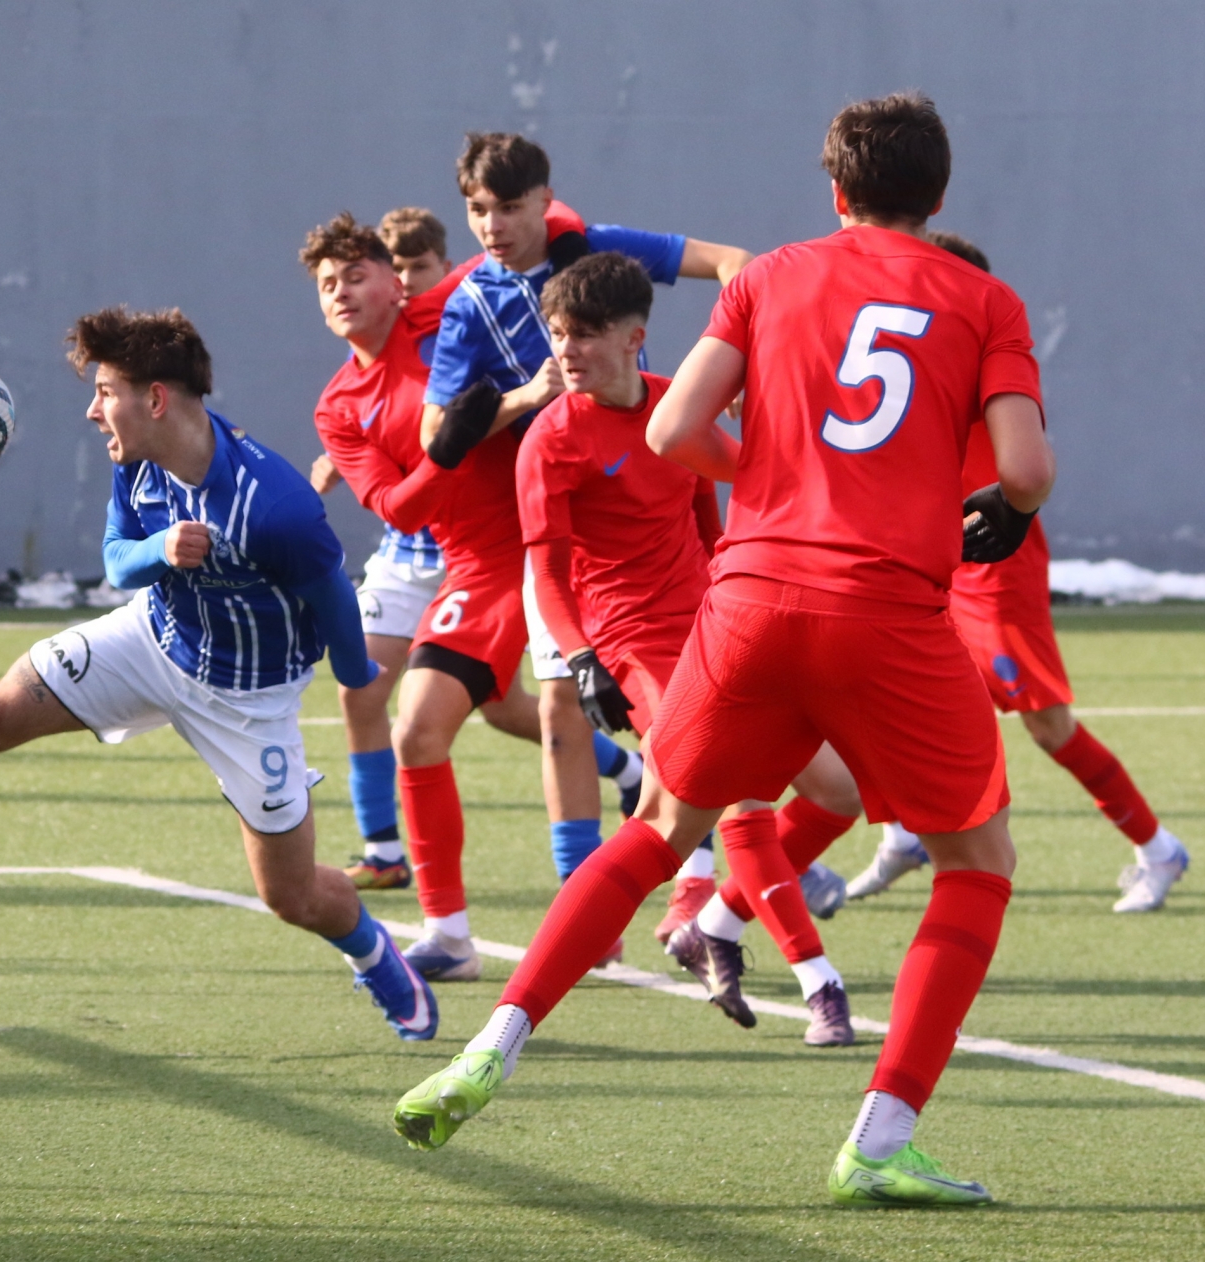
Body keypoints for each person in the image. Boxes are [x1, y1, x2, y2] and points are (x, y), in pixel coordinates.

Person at [393, 93, 1054, 1209]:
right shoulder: (985, 298)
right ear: (939, 195)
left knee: (660, 828)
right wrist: (1008, 508)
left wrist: (776, 485)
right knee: (978, 860)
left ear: (835, 192)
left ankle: (489, 1044)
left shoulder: (770, 276)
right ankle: (880, 1137)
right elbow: (1025, 469)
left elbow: (669, 430)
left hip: (746, 600)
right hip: (885, 608)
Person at [0, 306, 440, 1042]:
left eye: (104, 392)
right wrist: (162, 549)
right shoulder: (138, 460)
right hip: (149, 641)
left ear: (154, 399)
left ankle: (373, 951)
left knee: (290, 895)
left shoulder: (275, 505)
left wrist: (358, 671)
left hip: (248, 700)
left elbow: (334, 601)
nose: (93, 411)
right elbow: (118, 558)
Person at [400, 131, 755, 983]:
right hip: (554, 517)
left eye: (509, 208)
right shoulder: (469, 301)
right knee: (560, 709)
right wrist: (526, 396)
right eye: (477, 210)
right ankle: (596, 903)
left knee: (703, 728)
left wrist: (736, 371)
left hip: (650, 492)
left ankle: (712, 879)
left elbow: (736, 265)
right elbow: (436, 433)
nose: (493, 226)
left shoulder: (594, 248)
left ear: (543, 200)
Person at [517, 251, 859, 1046]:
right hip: (635, 648)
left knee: (840, 792)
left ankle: (712, 917)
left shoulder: (678, 409)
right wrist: (583, 659)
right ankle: (819, 981)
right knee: (739, 794)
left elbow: (716, 526)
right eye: (558, 334)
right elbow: (549, 576)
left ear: (634, 338)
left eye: (584, 334)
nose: (566, 350)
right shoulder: (550, 441)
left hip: (719, 625)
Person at [846, 231, 1188, 914]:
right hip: (936, 564)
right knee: (891, 706)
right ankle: (904, 836)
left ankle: (1157, 848)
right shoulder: (918, 346)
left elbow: (1029, 467)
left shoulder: (987, 355)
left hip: (995, 569)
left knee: (1049, 727)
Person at [303, 211, 632, 894]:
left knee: (554, 707)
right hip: (448, 558)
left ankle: (701, 858)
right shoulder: (337, 407)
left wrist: (571, 246)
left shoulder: (448, 310)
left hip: (533, 539)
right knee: (394, 699)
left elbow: (540, 220)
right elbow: (399, 508)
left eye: (356, 275)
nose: (340, 292)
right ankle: (405, 874)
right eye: (327, 284)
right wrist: (452, 444)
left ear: (395, 283)